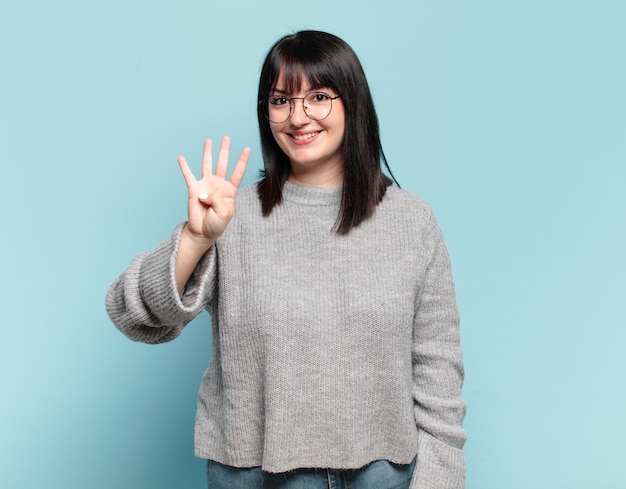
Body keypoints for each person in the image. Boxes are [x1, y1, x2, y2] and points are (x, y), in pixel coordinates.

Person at [106, 30, 466, 489]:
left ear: (352, 102)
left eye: (317, 96)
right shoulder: (231, 216)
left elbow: (437, 366)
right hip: (252, 474)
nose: (298, 117)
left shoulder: (412, 221)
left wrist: (441, 480)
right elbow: (129, 313)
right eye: (280, 101)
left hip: (383, 475)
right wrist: (196, 238)